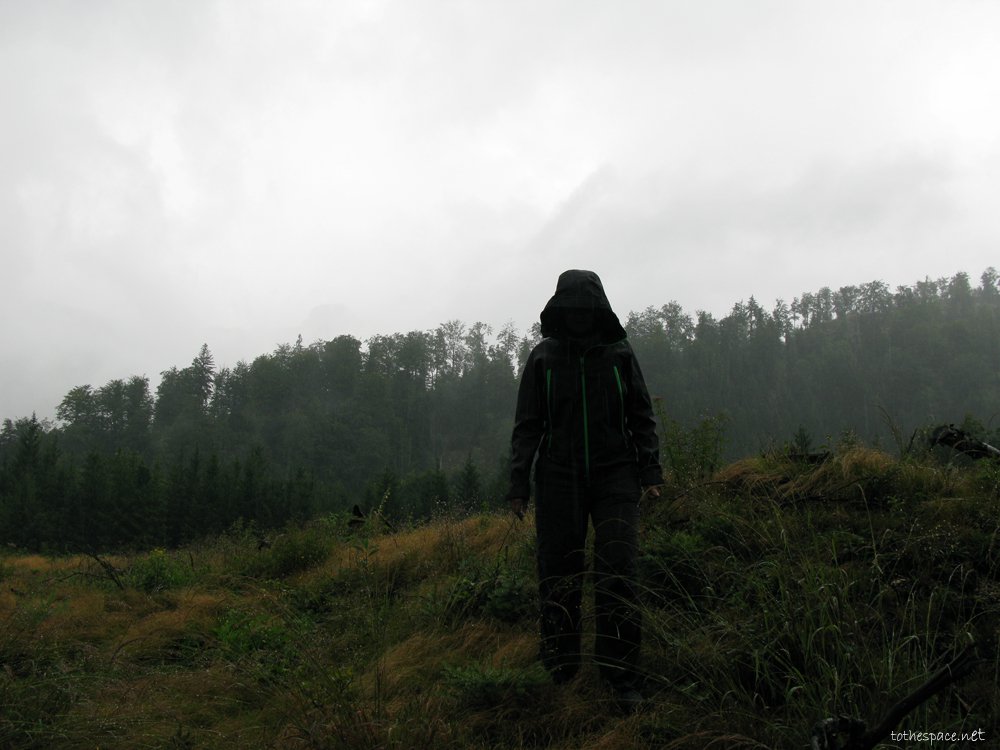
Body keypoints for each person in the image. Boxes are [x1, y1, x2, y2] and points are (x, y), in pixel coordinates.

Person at [506, 269, 663, 711]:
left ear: (598, 309)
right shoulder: (543, 358)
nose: (578, 316)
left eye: (585, 308)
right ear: (560, 309)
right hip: (558, 478)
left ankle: (621, 678)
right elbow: (527, 426)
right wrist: (518, 485)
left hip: (617, 475)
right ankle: (561, 669)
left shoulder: (619, 354)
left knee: (619, 571)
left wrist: (651, 472)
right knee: (558, 573)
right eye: (571, 308)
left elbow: (641, 416)